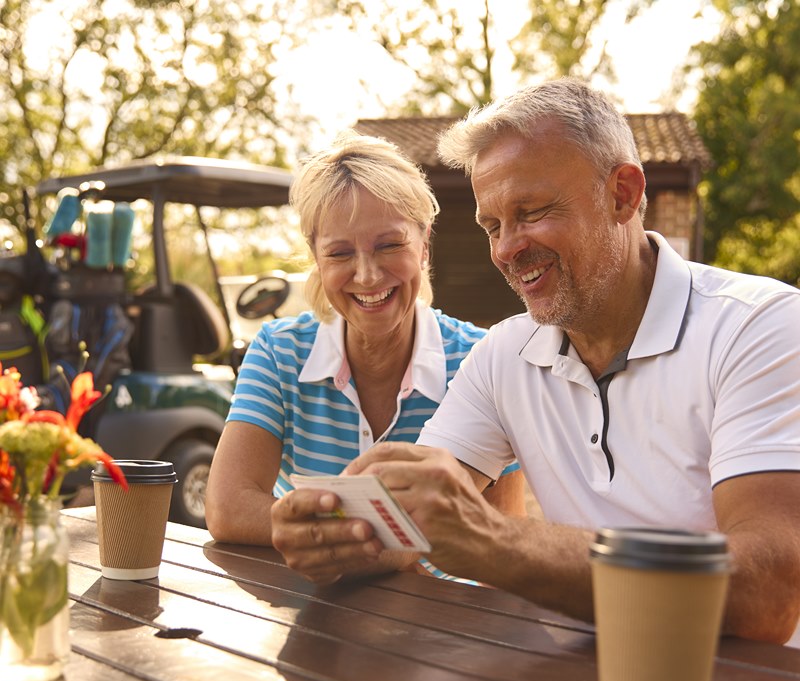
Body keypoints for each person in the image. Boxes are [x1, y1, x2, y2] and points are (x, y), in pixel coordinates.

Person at [270, 79, 800, 644]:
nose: (505, 249)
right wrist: (334, 535)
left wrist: (495, 543)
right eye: (492, 226)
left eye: (532, 212)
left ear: (622, 194)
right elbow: (413, 516)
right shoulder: (504, 354)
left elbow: (766, 595)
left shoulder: (760, 327)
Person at [205, 130, 525, 579]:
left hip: (443, 631)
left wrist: (311, 527)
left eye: (389, 245)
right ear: (317, 259)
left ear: (424, 244)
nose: (368, 275)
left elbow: (502, 538)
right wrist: (364, 534)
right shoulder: (279, 351)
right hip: (313, 616)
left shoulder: (480, 360)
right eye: (339, 253)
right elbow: (227, 507)